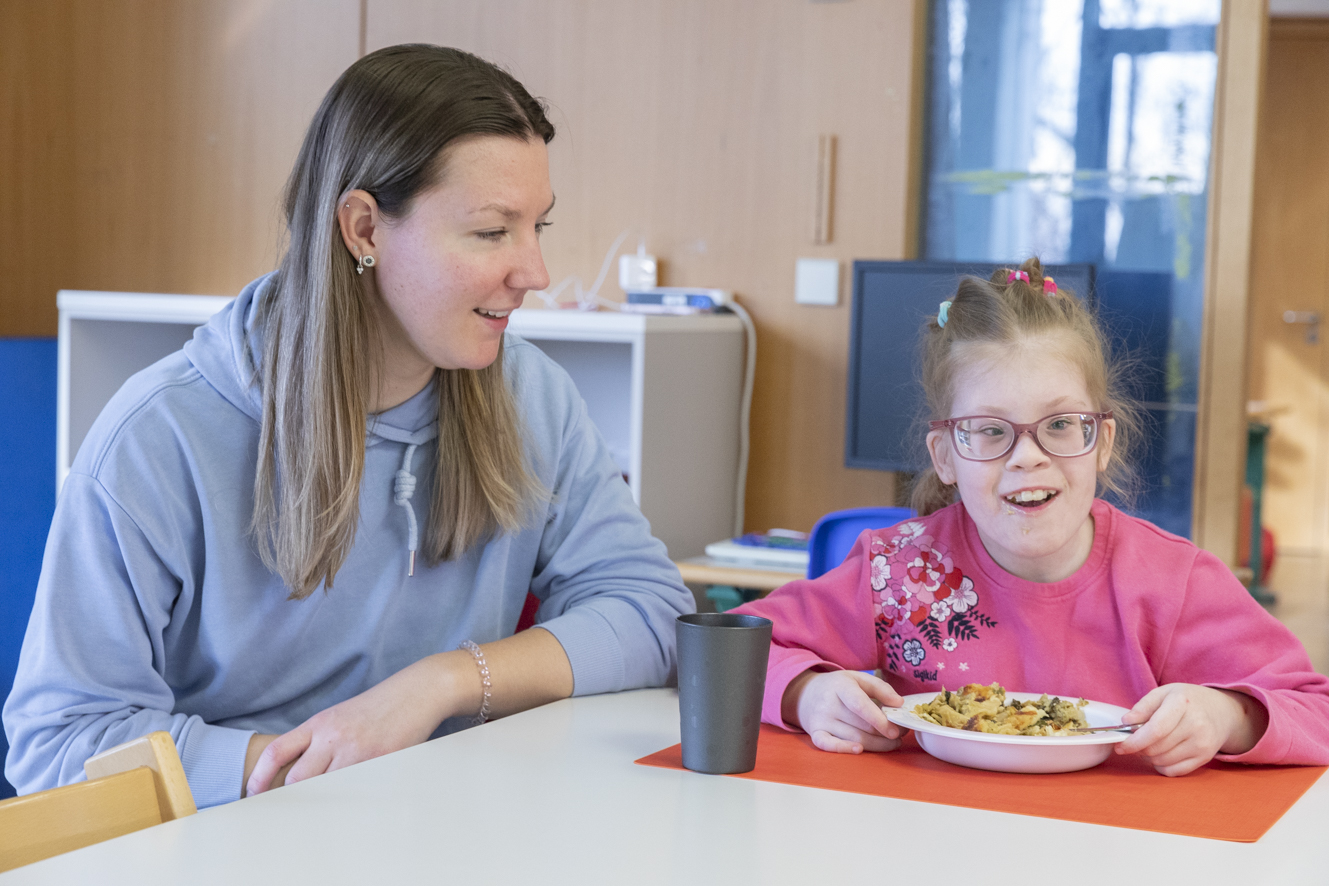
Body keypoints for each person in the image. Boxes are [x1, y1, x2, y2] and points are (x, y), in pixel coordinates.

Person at [4, 44, 694, 808]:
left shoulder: (530, 394)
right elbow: (60, 743)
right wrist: (318, 760)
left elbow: (651, 610)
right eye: (493, 232)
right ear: (363, 228)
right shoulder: (159, 435)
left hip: (446, 826)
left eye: (538, 226)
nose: (532, 270)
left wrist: (440, 684)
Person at [733, 258, 1329, 775]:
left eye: (1062, 425)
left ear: (1103, 442)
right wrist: (806, 696)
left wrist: (1227, 717)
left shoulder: (1173, 583)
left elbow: (1314, 709)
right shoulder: (898, 572)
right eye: (990, 431)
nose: (1028, 457)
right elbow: (731, 647)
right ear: (945, 455)